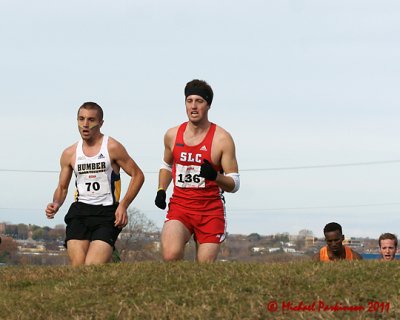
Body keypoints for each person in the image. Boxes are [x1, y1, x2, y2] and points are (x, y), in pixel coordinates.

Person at [45, 102, 144, 266]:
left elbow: (138, 175)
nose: (85, 124)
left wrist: (123, 205)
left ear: (101, 123)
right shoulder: (69, 153)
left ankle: (110, 254)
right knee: (78, 265)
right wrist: (56, 204)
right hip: (80, 212)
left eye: (91, 120)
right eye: (81, 119)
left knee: (92, 266)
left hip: (106, 213)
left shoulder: (112, 147)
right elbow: (62, 188)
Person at [155, 79, 239, 263]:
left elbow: (235, 183)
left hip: (210, 211)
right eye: (189, 100)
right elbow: (166, 165)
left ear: (208, 105)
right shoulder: (172, 135)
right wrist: (161, 189)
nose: (193, 106)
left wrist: (215, 176)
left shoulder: (222, 139)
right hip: (180, 207)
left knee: (204, 266)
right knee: (170, 255)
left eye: (199, 101)